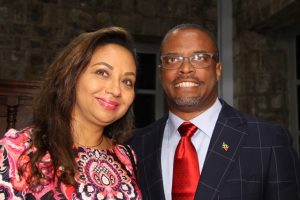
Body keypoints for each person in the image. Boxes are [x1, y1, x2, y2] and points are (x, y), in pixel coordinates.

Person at [128, 23, 300, 200]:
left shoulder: (267, 141)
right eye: (172, 59)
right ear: (161, 74)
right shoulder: (135, 146)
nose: (185, 69)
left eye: (199, 57)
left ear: (218, 70)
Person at [0, 26, 142, 199]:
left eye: (127, 81)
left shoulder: (127, 158)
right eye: (102, 72)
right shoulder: (18, 150)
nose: (116, 90)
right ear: (72, 76)